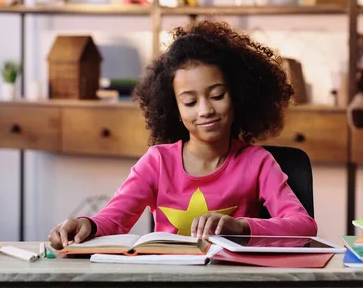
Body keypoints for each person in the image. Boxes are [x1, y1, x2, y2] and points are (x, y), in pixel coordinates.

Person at [48, 20, 317, 250]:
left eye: (217, 96)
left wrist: (241, 228)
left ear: (238, 96)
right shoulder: (157, 163)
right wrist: (86, 225)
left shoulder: (257, 162)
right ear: (173, 108)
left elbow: (304, 227)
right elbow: (113, 219)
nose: (205, 110)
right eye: (190, 102)